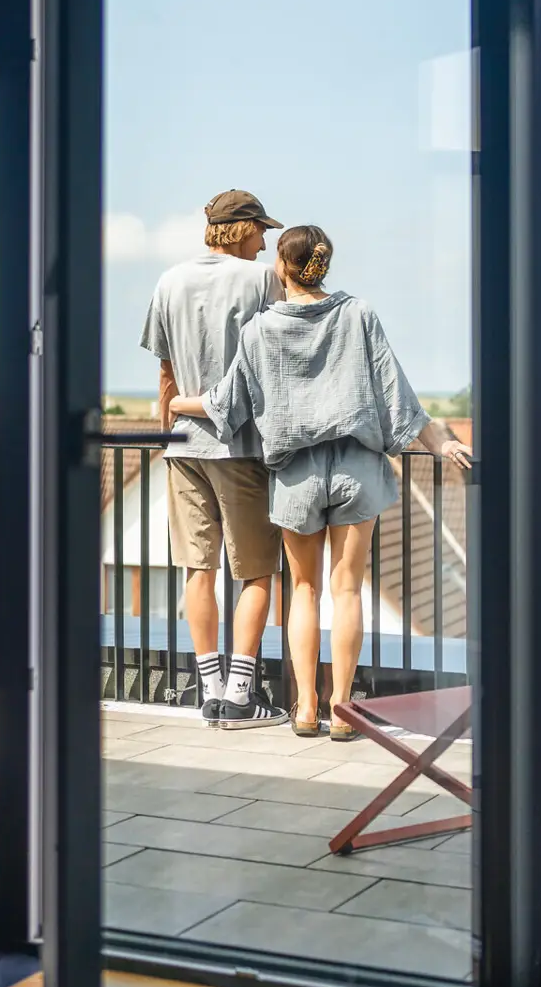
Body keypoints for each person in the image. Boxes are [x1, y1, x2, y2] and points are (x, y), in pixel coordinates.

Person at [169, 225, 473, 740]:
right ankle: (344, 708)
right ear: (323, 264)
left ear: (281, 269)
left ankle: (306, 707)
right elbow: (399, 396)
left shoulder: (261, 330)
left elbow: (227, 404)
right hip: (357, 470)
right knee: (347, 589)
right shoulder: (358, 315)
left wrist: (178, 404)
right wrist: (440, 444)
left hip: (296, 475)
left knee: (304, 590)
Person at [139, 189, 290, 729]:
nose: (266, 239)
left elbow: (165, 375)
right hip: (241, 445)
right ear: (242, 228)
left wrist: (167, 439)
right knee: (256, 571)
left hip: (184, 444)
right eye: (261, 229)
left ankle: (208, 689)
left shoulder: (169, 280)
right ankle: (242, 695)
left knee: (196, 567)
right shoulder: (262, 281)